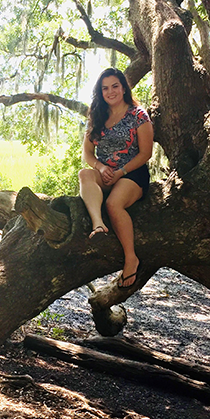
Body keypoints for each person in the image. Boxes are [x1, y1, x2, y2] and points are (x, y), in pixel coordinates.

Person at [79, 68, 153, 289]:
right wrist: (101, 168)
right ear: (100, 92)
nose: (110, 91)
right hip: (106, 173)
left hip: (132, 173)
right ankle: (98, 225)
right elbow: (87, 155)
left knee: (113, 204)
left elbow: (146, 153)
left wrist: (121, 171)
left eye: (114, 86)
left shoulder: (138, 115)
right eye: (105, 88)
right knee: (84, 174)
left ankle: (131, 258)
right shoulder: (97, 117)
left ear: (123, 88)